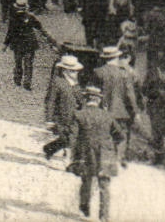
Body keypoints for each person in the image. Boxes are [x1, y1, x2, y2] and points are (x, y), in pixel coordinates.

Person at [72, 85, 120, 222]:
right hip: (105, 153)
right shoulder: (107, 115)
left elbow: (74, 136)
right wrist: (110, 144)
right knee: (104, 185)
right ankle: (103, 217)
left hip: (86, 152)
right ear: (98, 100)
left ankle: (84, 210)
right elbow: (120, 135)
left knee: (86, 181)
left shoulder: (79, 114)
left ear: (86, 99)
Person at [90, 45, 139, 166]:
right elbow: (130, 95)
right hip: (121, 112)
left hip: (103, 110)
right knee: (120, 137)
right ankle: (117, 160)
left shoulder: (98, 72)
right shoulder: (124, 74)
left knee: (104, 135)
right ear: (116, 57)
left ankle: (104, 160)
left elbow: (93, 92)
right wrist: (136, 112)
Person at [44, 55, 85, 162]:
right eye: (72, 71)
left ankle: (49, 148)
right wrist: (49, 119)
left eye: (76, 71)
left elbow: (80, 99)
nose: (75, 73)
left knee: (70, 136)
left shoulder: (76, 83)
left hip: (75, 114)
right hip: (62, 115)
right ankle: (68, 160)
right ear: (65, 71)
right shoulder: (57, 82)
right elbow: (50, 101)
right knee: (68, 137)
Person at [142, 61, 165, 165]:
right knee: (157, 134)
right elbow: (144, 90)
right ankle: (158, 157)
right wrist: (157, 93)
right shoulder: (151, 75)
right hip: (156, 109)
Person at [4, 2, 43, 90]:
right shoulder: (29, 17)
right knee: (28, 63)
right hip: (29, 44)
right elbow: (39, 26)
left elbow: (10, 32)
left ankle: (18, 79)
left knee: (18, 62)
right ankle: (27, 82)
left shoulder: (13, 19)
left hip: (18, 44)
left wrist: (5, 44)